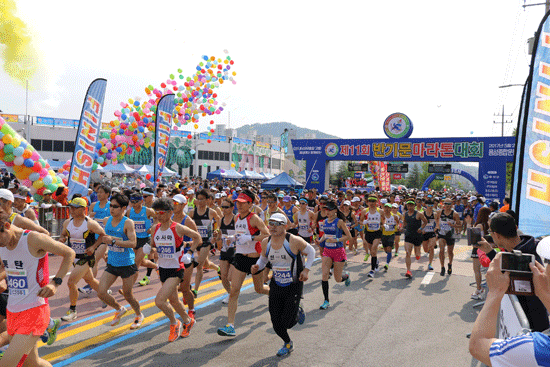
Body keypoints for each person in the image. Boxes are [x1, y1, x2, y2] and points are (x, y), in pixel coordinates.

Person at [0, 206, 75, 367]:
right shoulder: (3, 244)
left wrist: (56, 283)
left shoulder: (32, 239)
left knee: (6, 365)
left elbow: (69, 253)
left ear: (6, 226)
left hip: (35, 310)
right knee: (33, 364)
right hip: (12, 311)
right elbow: (7, 267)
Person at [251, 213, 315, 357]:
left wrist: (306, 270)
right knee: (275, 321)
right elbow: (263, 259)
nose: (272, 227)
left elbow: (311, 252)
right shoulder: (266, 242)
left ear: (285, 226)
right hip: (276, 284)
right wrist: (257, 267)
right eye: (270, 223)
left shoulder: (294, 241)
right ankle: (287, 343)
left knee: (287, 322)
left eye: (276, 224)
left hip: (293, 285)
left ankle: (297, 310)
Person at [469, 252, 550, 366]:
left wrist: (495, 292)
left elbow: (477, 346)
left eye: (548, 261)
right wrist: (544, 294)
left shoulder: (534, 348)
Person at [475, 212, 549, 332]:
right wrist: (489, 250)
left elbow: (507, 270)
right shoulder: (526, 247)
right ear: (515, 228)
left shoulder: (522, 256)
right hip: (529, 322)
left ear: (497, 235)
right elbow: (506, 266)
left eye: (491, 233)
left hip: (530, 327)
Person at [217, 189, 270, 337]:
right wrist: (233, 238)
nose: (238, 206)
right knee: (234, 291)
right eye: (237, 203)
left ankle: (277, 294)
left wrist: (251, 238)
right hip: (240, 256)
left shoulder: (254, 219)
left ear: (250, 204)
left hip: (254, 259)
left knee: (259, 289)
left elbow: (267, 234)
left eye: (242, 203)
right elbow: (239, 234)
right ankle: (230, 325)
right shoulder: (236, 218)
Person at [149, 198, 201, 342]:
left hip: (176, 269)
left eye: (162, 212)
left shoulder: (178, 228)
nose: (159, 215)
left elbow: (197, 237)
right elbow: (154, 245)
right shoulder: (155, 228)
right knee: (174, 301)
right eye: (156, 212)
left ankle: (174, 323)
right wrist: (151, 248)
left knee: (159, 301)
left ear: (170, 212)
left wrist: (189, 253)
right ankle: (187, 320)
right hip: (163, 269)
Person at [97, 193, 143, 329]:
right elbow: (105, 240)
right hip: (112, 263)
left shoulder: (127, 222)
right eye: (110, 206)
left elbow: (133, 243)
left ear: (123, 208)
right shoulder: (106, 221)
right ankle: (119, 309)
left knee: (128, 294)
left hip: (127, 264)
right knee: (101, 292)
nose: (111, 209)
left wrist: (114, 241)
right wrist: (106, 249)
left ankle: (139, 314)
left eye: (115, 206)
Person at [57, 197, 107, 321]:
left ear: (83, 209)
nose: (71, 210)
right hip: (74, 258)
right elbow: (63, 234)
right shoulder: (67, 222)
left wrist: (94, 247)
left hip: (86, 257)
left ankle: (72, 311)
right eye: (70, 207)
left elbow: (103, 235)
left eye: (74, 207)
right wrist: (62, 239)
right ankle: (106, 295)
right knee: (90, 280)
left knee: (71, 282)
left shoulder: (90, 223)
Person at [318, 200, 351, 310]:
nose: (327, 211)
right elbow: (325, 235)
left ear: (335, 211)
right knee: (324, 275)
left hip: (338, 251)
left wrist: (336, 239)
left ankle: (345, 276)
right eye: (326, 209)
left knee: (337, 279)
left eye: (329, 209)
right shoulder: (324, 222)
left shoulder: (339, 222)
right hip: (327, 251)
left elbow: (349, 236)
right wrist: (320, 240)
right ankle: (326, 300)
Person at [188, 189, 220, 297]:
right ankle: (218, 268)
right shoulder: (192, 212)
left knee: (200, 264)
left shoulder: (211, 212)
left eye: (202, 199)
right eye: (198, 199)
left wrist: (217, 230)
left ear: (207, 200)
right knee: (206, 263)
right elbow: (187, 224)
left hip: (207, 241)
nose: (200, 201)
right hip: (197, 241)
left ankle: (195, 290)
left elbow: (219, 220)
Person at [127, 191, 157, 287]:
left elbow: (157, 217)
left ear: (141, 201)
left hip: (145, 239)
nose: (134, 204)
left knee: (135, 264)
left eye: (136, 202)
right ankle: (158, 267)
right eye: (132, 202)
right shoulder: (129, 212)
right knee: (142, 262)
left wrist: (152, 227)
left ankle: (129, 287)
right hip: (135, 240)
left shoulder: (147, 211)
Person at [216, 197, 236, 304]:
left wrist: (233, 238)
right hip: (224, 250)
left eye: (226, 207)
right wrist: (217, 238)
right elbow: (220, 234)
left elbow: (242, 234)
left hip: (235, 250)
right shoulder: (221, 220)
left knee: (230, 276)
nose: (223, 209)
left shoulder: (236, 219)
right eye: (222, 207)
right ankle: (230, 294)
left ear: (232, 208)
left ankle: (233, 292)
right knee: (223, 276)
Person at [435, 199, 461, 276]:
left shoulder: (455, 214)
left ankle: (450, 264)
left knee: (450, 251)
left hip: (450, 234)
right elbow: (436, 219)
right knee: (442, 250)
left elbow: (460, 225)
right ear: (443, 204)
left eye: (449, 204)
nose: (448, 205)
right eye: (446, 204)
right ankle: (442, 267)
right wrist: (437, 226)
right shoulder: (440, 212)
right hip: (442, 234)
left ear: (452, 204)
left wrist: (453, 225)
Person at [402, 199, 427, 279]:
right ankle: (408, 270)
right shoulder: (405, 214)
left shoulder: (418, 214)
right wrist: (402, 227)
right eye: (408, 205)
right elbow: (405, 222)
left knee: (417, 254)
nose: (410, 207)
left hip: (417, 235)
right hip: (408, 235)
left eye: (411, 205)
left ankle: (418, 255)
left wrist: (421, 228)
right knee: (407, 253)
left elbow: (425, 222)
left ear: (414, 206)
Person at [361, 196, 384, 277]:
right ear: (367, 202)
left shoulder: (380, 211)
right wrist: (363, 222)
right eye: (370, 201)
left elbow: (384, 220)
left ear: (376, 202)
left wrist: (383, 225)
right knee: (372, 252)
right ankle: (376, 261)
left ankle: (372, 270)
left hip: (377, 233)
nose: (371, 203)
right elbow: (360, 220)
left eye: (373, 201)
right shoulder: (364, 211)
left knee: (374, 250)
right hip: (368, 233)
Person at [380, 203, 400, 271]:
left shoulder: (394, 216)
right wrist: (382, 226)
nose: (387, 209)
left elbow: (398, 222)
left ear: (391, 209)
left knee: (389, 249)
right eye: (385, 207)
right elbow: (379, 224)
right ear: (383, 208)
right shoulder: (381, 216)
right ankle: (390, 252)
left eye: (388, 208)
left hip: (391, 234)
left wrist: (397, 226)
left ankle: (387, 264)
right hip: (384, 235)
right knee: (386, 250)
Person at [421, 199, 437, 271]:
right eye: (429, 205)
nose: (430, 207)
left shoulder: (435, 214)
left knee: (431, 247)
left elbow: (438, 224)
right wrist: (421, 230)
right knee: (425, 250)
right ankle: (428, 251)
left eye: (432, 205)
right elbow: (419, 224)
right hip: (424, 233)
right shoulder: (422, 214)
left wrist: (436, 229)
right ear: (426, 205)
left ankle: (430, 263)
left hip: (432, 232)